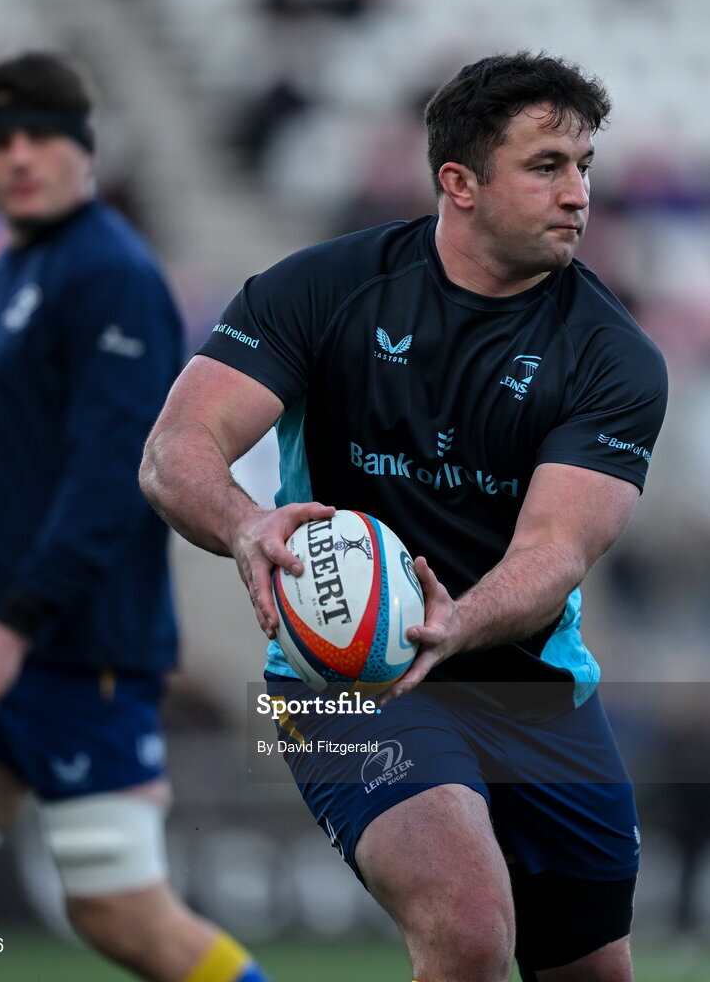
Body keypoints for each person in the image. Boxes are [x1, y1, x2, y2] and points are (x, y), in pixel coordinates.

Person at [138, 51, 668, 982]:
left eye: (585, 166)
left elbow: (558, 546)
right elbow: (175, 449)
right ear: (458, 183)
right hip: (350, 676)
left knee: (592, 972)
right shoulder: (319, 291)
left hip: (530, 687)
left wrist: (457, 620)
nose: (579, 193)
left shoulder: (614, 357)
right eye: (547, 166)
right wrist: (243, 524)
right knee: (467, 928)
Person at [0, 51, 269, 982]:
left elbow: (113, 477)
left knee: (120, 917)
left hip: (73, 649)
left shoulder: (112, 275)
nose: (19, 156)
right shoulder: (6, 278)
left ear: (84, 149)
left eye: (41, 136)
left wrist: (11, 631)